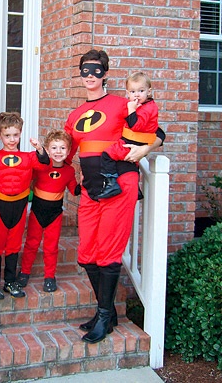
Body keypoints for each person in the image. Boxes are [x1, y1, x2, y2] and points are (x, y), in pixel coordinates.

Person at [64, 49, 164, 344]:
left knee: (108, 251)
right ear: (80, 73)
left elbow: (157, 132)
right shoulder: (75, 115)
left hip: (120, 184)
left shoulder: (125, 103)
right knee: (87, 253)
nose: (90, 76)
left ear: (105, 73)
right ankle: (106, 311)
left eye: (96, 70)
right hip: (91, 189)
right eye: (85, 70)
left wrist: (145, 150)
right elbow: (65, 153)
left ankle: (105, 315)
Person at [0, 112, 49, 301]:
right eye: (7, 135)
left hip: (20, 204)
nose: (12, 139)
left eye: (16, 135)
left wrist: (40, 149)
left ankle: (10, 280)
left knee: (14, 244)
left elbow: (44, 165)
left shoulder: (29, 157)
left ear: (20, 134)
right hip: (0, 203)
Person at [17, 130, 81, 293]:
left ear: (68, 151)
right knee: (31, 243)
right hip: (38, 212)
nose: (58, 152)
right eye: (54, 148)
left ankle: (50, 276)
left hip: (55, 214)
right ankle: (24, 273)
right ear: (46, 149)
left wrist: (83, 183)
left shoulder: (69, 171)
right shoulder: (41, 167)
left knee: (51, 247)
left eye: (62, 148)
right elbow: (26, 178)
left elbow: (74, 190)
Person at [97, 71, 159, 199]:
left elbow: (136, 125)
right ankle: (136, 190)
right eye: (132, 92)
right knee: (133, 162)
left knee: (107, 155)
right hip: (132, 140)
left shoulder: (147, 108)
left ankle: (111, 183)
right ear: (127, 92)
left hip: (135, 141)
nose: (137, 94)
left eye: (141, 91)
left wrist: (131, 109)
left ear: (149, 91)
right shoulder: (140, 105)